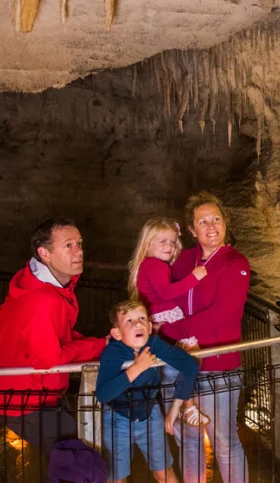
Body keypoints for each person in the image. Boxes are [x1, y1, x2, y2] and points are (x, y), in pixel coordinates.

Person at [0, 219, 108, 455]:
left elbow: (58, 336)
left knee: (74, 463)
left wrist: (101, 346)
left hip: (29, 395)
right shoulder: (44, 299)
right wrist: (100, 345)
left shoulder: (46, 288)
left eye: (79, 243)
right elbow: (50, 358)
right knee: (84, 462)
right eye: (68, 245)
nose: (79, 251)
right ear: (45, 253)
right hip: (27, 402)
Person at [165, 192, 251, 483]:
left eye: (216, 219)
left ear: (225, 223)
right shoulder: (184, 260)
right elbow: (166, 296)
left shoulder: (234, 262)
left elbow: (223, 314)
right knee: (188, 442)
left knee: (225, 443)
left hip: (218, 365)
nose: (211, 226)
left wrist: (173, 330)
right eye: (203, 221)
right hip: (181, 366)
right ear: (192, 230)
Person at [95, 300, 200, 483]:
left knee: (163, 473)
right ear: (116, 333)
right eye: (129, 321)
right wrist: (137, 368)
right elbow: (103, 394)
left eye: (142, 318)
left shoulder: (153, 344)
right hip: (117, 419)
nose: (137, 323)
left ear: (150, 326)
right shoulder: (112, 352)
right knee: (117, 478)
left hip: (150, 415)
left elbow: (189, 365)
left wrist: (175, 408)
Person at [127, 217, 211, 426]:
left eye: (172, 242)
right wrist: (194, 277)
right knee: (192, 356)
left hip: (159, 315)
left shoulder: (149, 264)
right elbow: (166, 293)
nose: (169, 246)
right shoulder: (155, 265)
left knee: (185, 359)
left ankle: (183, 406)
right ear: (148, 244)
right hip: (167, 315)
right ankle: (187, 405)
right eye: (162, 241)